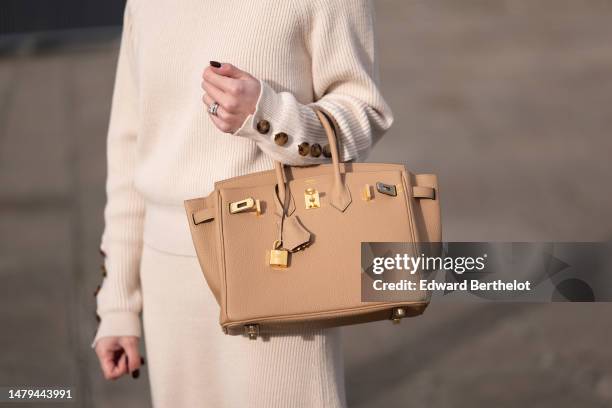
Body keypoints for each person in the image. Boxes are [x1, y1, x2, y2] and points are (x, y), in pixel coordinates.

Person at [92, 0, 393, 406]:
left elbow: (365, 114)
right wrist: (118, 303)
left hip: (277, 264)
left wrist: (268, 115)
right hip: (169, 285)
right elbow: (130, 153)